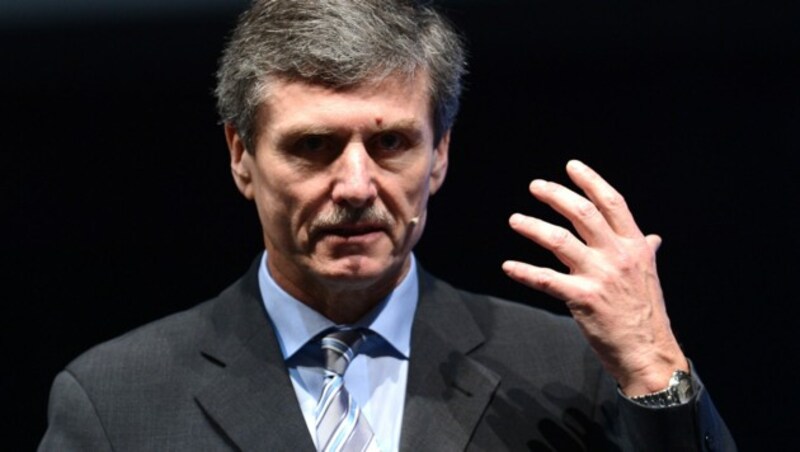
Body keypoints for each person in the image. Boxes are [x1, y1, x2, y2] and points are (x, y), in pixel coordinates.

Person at [39, 0, 735, 450]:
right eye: (313, 146)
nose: (355, 186)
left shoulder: (567, 372)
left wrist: (652, 367)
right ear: (241, 156)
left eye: (391, 144)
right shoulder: (115, 399)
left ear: (440, 156)